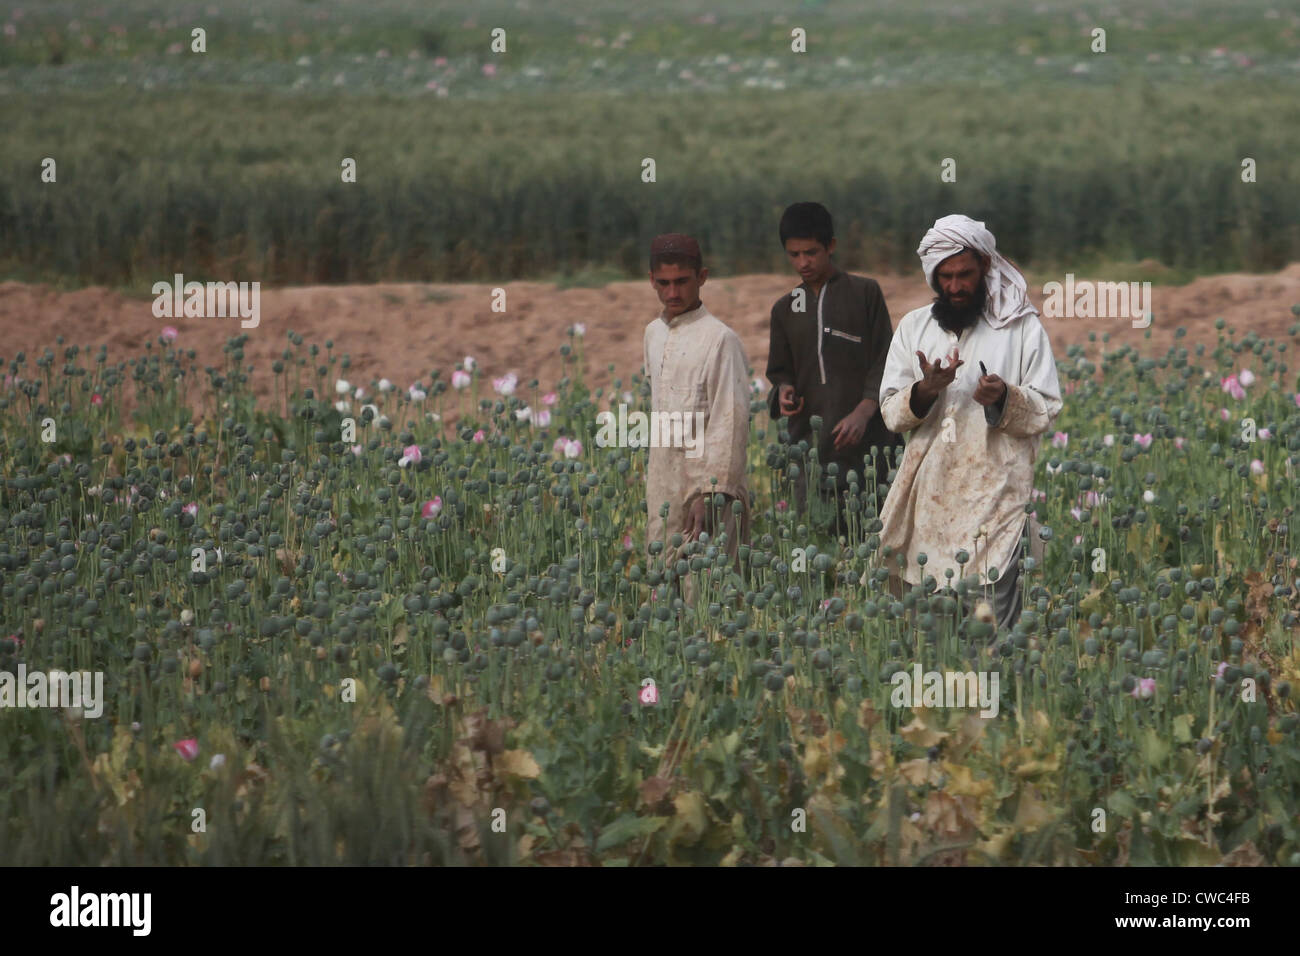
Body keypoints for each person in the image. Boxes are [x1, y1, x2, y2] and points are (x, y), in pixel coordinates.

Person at [877, 214, 1062, 631]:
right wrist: (926, 389)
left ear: (984, 267)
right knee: (932, 631)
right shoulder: (913, 329)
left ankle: (996, 693)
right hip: (930, 500)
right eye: (946, 277)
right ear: (933, 276)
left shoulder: (1021, 329)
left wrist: (1003, 399)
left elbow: (1047, 406)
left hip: (997, 500)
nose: (956, 287)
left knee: (991, 629)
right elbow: (890, 412)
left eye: (965, 274)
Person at [765, 202, 901, 537]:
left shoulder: (864, 293)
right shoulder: (785, 309)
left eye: (811, 252)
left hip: (871, 452)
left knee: (876, 546)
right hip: (813, 453)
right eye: (794, 255)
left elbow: (887, 358)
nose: (803, 263)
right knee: (818, 550)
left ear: (832, 246)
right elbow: (779, 372)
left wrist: (864, 411)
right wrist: (783, 392)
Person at [642, 233, 751, 603]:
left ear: (701, 277)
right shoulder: (652, 335)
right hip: (663, 482)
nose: (673, 292)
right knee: (661, 582)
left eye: (682, 281)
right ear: (652, 281)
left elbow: (730, 421)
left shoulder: (721, 339)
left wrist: (711, 492)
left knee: (705, 592)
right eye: (664, 283)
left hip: (705, 490)